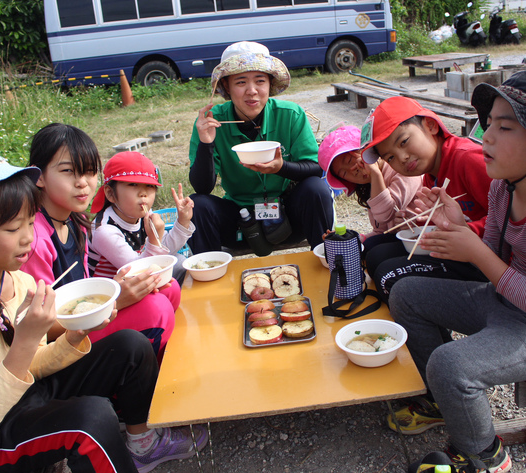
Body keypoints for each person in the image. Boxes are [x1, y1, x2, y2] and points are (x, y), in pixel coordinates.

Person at [0, 147, 207, 473]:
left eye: (29, 223)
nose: (26, 239)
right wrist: (25, 340)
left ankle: (143, 443)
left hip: (32, 389)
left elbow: (36, 365)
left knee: (130, 345)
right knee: (90, 421)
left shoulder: (18, 281)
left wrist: (77, 334)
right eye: (10, 229)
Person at [390, 70, 526, 472]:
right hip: (504, 301)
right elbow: (493, 253)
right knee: (405, 293)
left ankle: (487, 455)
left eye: (504, 128)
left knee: (451, 364)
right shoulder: (503, 186)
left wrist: (473, 252)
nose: (485, 137)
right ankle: (442, 401)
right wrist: (456, 226)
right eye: (488, 125)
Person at [21, 124, 179, 358]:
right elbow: (40, 329)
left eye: (89, 172)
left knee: (169, 289)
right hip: (59, 345)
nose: (82, 182)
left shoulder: (77, 221)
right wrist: (114, 300)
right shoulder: (34, 239)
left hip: (85, 319)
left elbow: (85, 285)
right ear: (39, 176)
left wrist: (113, 290)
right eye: (68, 171)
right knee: (155, 307)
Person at [188, 40, 333, 254]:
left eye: (260, 81)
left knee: (316, 189)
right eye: (240, 82)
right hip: (239, 218)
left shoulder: (290, 114)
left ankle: (329, 262)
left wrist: (281, 168)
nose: (252, 91)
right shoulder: (212, 121)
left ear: (270, 84)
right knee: (197, 205)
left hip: (287, 214)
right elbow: (202, 187)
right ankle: (209, 277)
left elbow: (315, 167)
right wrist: (206, 143)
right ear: (226, 86)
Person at [359, 96, 492, 303]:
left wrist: (467, 231)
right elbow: (437, 222)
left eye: (403, 142)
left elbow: (510, 220)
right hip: (458, 250)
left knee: (388, 275)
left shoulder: (467, 159)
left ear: (430, 126)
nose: (401, 157)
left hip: (486, 260)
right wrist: (415, 222)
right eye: (390, 157)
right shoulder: (432, 174)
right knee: (374, 255)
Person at [86, 151, 193, 354]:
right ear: (110, 194)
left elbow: (164, 253)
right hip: (113, 302)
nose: (143, 194)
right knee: (170, 277)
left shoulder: (140, 215)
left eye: (149, 187)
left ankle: (166, 337)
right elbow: (140, 271)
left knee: (175, 266)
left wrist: (183, 222)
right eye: (133, 185)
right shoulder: (104, 230)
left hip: (133, 288)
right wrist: (154, 238)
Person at [317, 125, 422, 251]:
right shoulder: (370, 185)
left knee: (375, 254)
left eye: (350, 160)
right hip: (401, 238)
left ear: (365, 148)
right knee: (359, 249)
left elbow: (385, 215)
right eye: (344, 174)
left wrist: (375, 172)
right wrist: (347, 239)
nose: (352, 170)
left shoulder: (399, 168)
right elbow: (381, 231)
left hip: (422, 236)